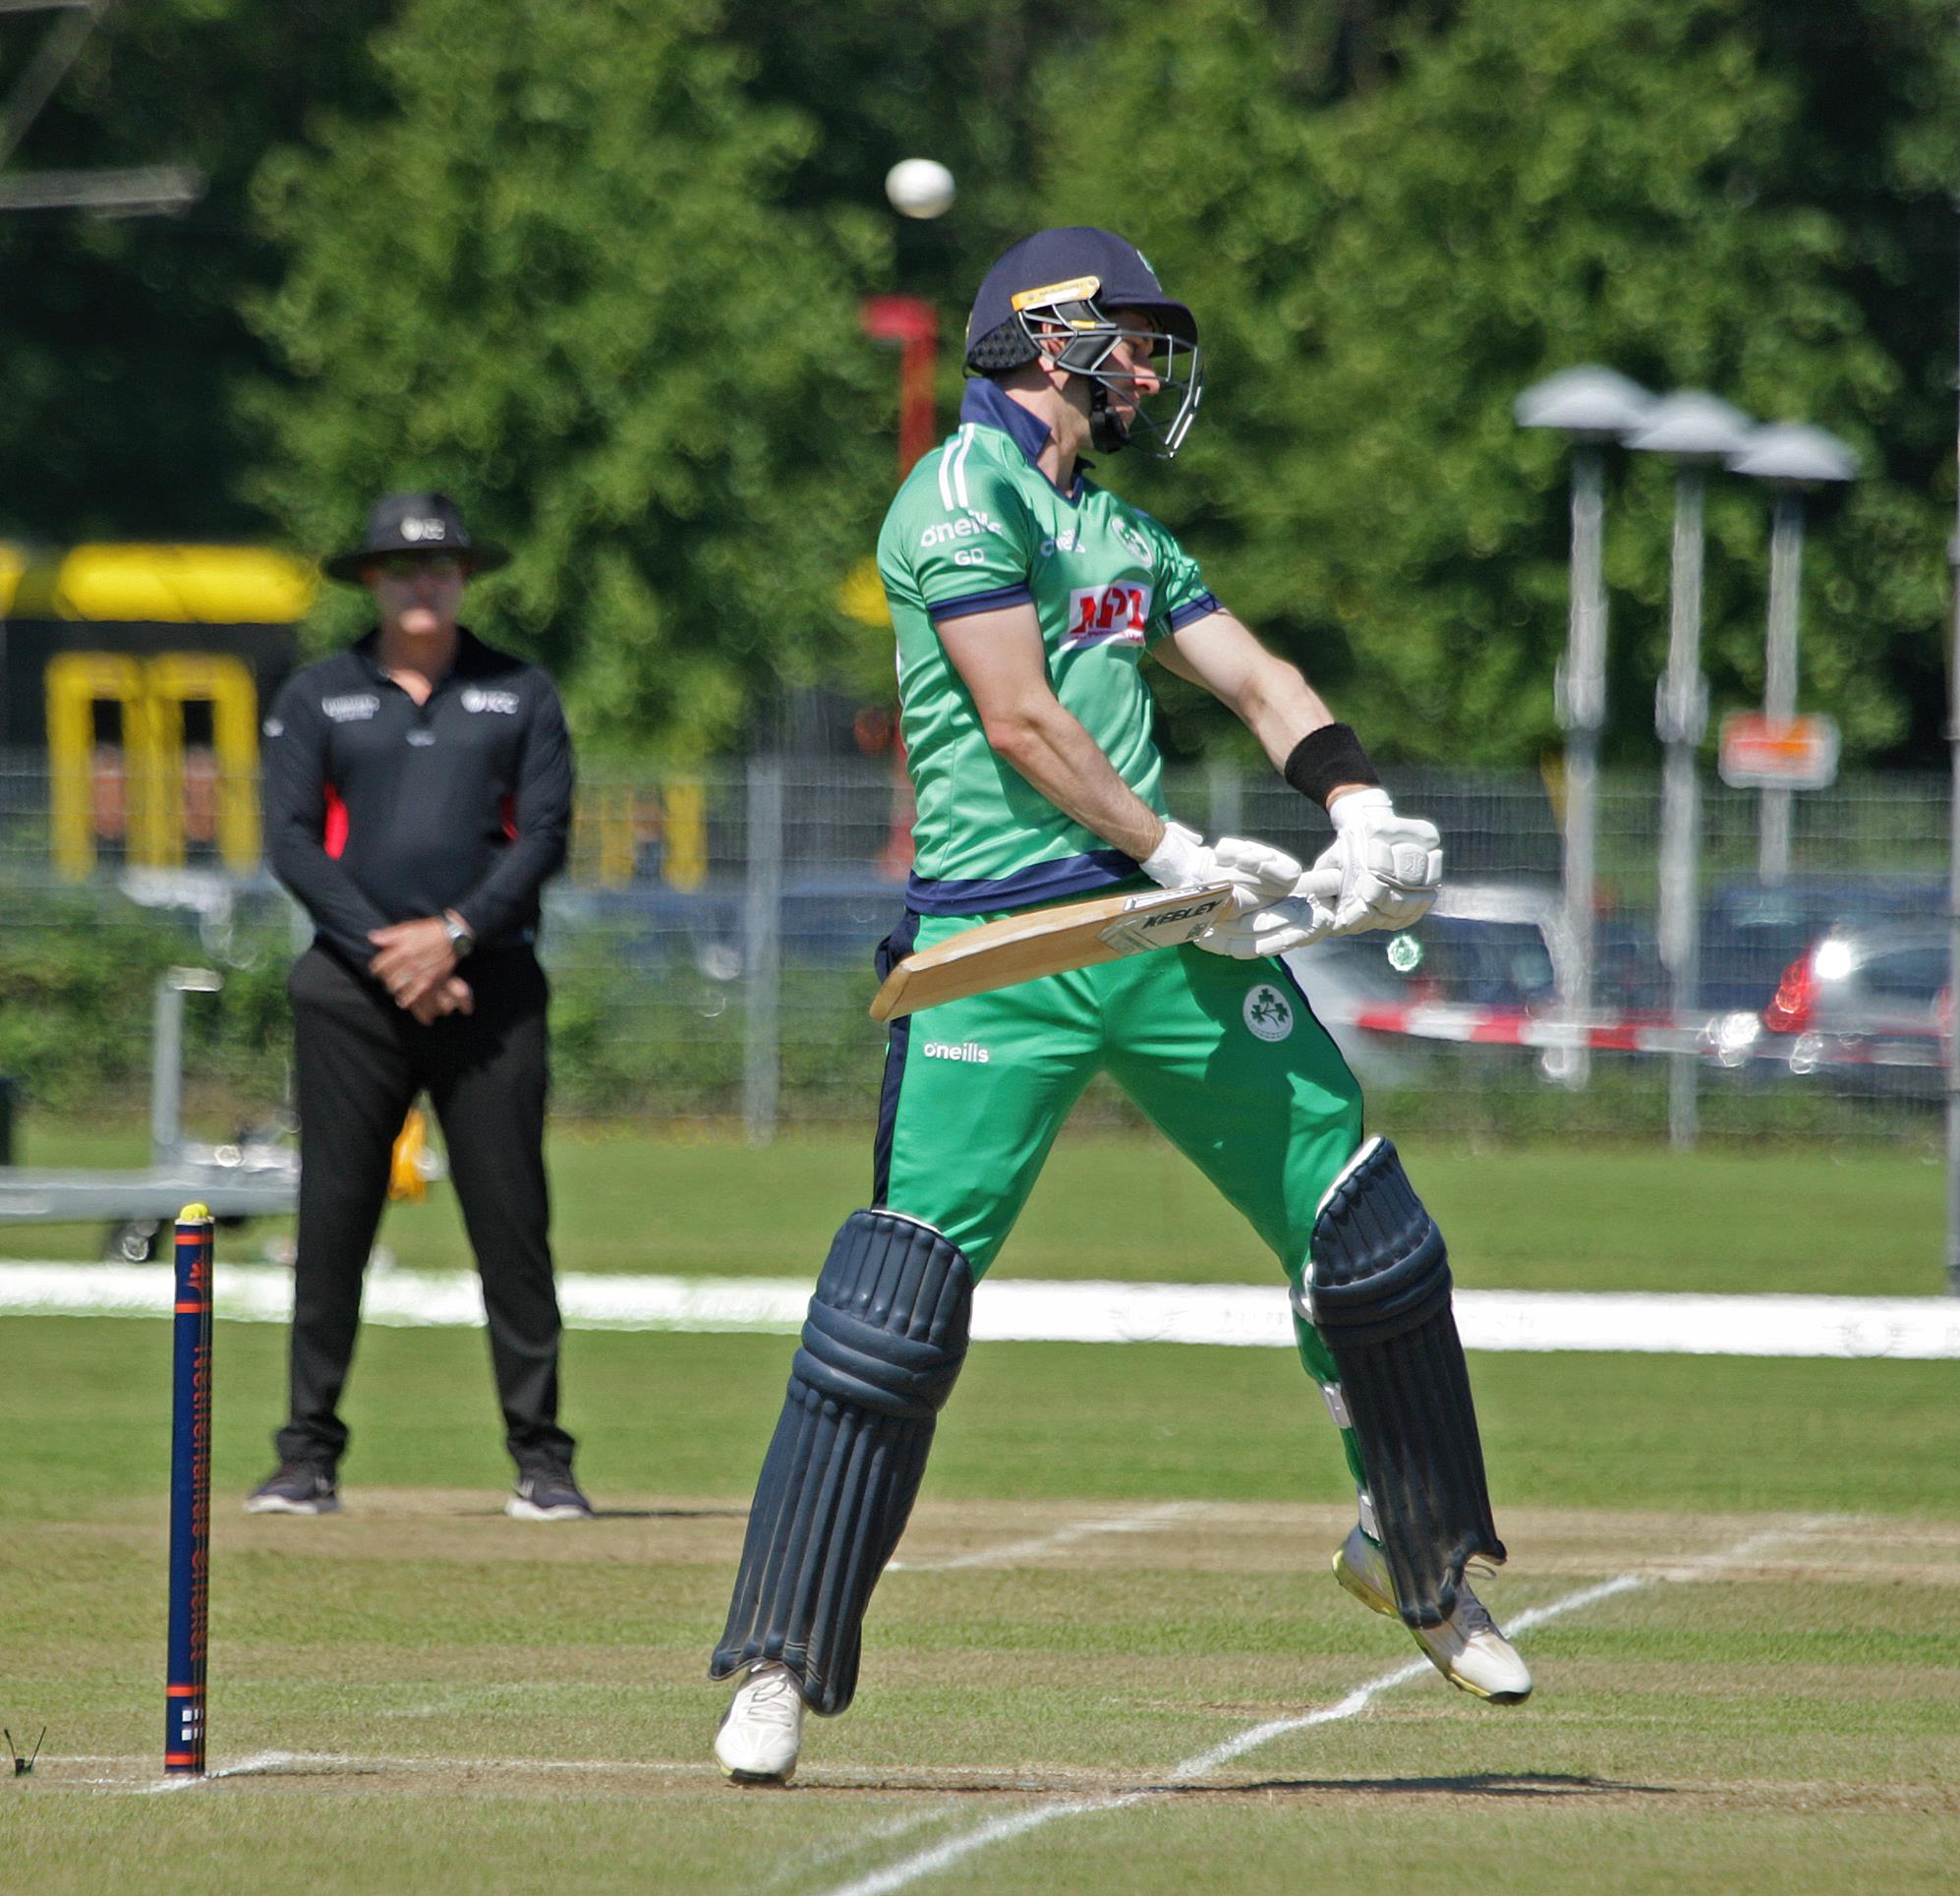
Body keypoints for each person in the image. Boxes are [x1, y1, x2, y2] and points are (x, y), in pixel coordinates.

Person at [709, 229, 1529, 1783]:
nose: (1149, 369)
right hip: (1002, 943)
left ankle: (1415, 1554)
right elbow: (1017, 719)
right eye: (1132, 339)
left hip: (1159, 933)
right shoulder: (957, 495)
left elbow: (1260, 680)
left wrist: (1360, 809)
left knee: (1360, 1224)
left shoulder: (1122, 530)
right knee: (895, 1307)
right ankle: (775, 1659)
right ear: (1049, 335)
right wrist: (1167, 845)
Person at [248, 491, 590, 1523]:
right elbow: (291, 839)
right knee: (334, 1220)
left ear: (463, 577)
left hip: (489, 988)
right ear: (373, 580)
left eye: (439, 566)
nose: (422, 584)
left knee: (511, 1225)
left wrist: (453, 935)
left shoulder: (518, 692)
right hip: (351, 993)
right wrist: (389, 951)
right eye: (402, 568)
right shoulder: (319, 695)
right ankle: (306, 1457)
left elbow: (544, 837)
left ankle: (542, 1460)